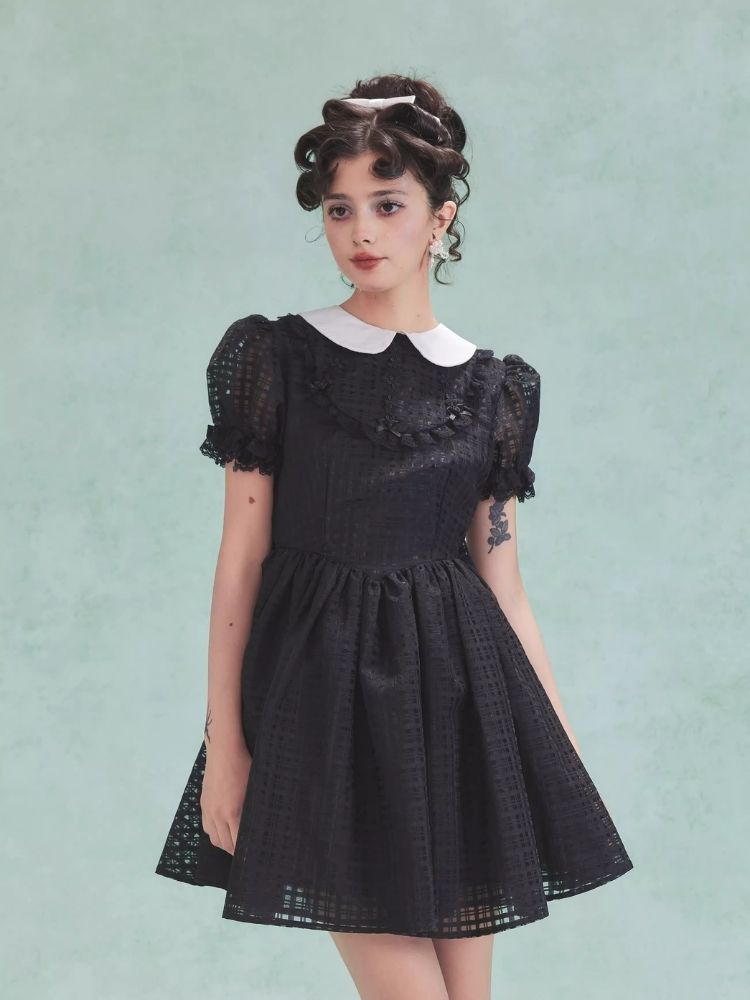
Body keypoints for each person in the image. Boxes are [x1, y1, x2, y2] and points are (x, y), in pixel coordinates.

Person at [154, 74, 633, 1000]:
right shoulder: (275, 357)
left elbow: (503, 586)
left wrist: (558, 746)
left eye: (387, 204)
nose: (360, 231)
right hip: (319, 703)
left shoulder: (497, 389)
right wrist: (226, 743)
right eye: (339, 208)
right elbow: (241, 559)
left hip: (457, 708)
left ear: (440, 219)